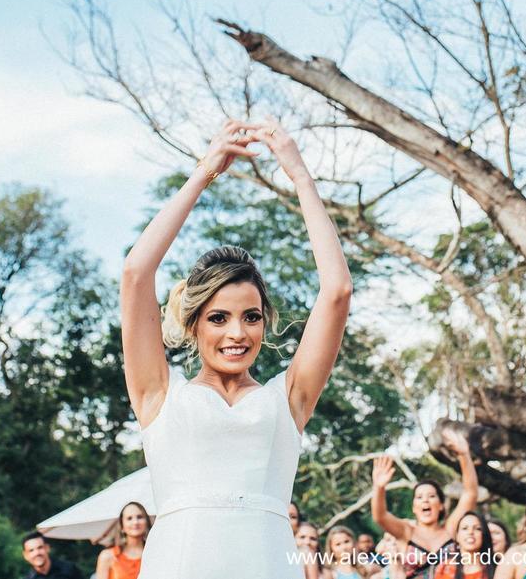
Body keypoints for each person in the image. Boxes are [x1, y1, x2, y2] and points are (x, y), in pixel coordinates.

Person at [121, 120, 353, 578]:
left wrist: (300, 177)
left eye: (251, 317)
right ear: (193, 324)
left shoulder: (288, 399)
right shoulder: (159, 395)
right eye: (218, 318)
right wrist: (206, 170)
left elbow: (338, 289)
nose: (237, 334)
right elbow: (135, 274)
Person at [371, 429, 479, 578]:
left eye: (431, 496)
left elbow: (470, 494)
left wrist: (464, 455)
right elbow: (380, 516)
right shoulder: (406, 531)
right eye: (420, 497)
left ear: (441, 505)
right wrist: (379, 487)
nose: (425, 500)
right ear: (414, 507)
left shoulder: (451, 529)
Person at [435, 511, 497, 579]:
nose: (470, 532)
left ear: (484, 535)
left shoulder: (497, 569)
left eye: (477, 529)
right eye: (465, 528)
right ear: (457, 536)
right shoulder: (444, 569)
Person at [95, 502, 150, 579]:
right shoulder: (107, 556)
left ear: (147, 522)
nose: (135, 522)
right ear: (122, 526)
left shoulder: (154, 554)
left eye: (139, 517)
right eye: (129, 518)